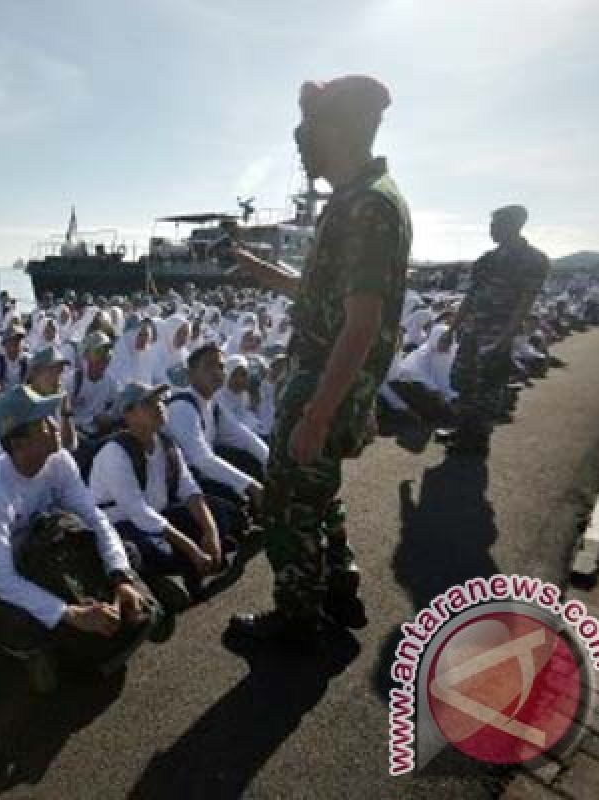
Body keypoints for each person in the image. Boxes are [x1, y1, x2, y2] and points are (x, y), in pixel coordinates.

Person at [230, 74, 411, 642]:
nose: (301, 141)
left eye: (309, 128)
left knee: (289, 505)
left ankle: (297, 619)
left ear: (343, 128)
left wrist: (317, 414)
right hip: (328, 380)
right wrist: (264, 273)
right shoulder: (356, 200)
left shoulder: (368, 208)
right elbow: (330, 301)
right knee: (318, 493)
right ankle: (338, 585)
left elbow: (361, 325)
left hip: (323, 385)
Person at [0, 385, 163, 693]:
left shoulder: (58, 461)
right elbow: (3, 581)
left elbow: (95, 518)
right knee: (10, 615)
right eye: (44, 422)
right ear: (19, 443)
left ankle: (114, 609)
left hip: (47, 558)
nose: (55, 426)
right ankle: (35, 653)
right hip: (2, 582)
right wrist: (71, 614)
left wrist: (120, 576)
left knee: (127, 553)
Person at [90, 382, 239, 608]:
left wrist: (211, 534)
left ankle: (189, 568)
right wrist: (192, 548)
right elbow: (138, 512)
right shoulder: (115, 453)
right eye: (149, 403)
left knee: (216, 513)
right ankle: (155, 580)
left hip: (156, 518)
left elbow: (190, 491)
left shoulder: (167, 445)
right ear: (129, 414)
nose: (159, 406)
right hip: (123, 524)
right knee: (142, 551)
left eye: (160, 400)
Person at [444, 205, 551, 455]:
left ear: (513, 225)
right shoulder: (486, 260)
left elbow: (526, 302)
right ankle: (463, 430)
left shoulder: (533, 260)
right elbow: (470, 297)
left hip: (497, 332)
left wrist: (506, 337)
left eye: (496, 224)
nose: (491, 229)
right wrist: (451, 330)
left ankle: (478, 439)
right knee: (463, 380)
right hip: (472, 330)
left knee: (488, 386)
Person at [164, 343, 264, 509]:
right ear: (191, 374)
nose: (217, 372)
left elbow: (244, 438)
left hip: (201, 475)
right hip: (179, 484)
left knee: (251, 462)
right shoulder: (183, 407)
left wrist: (269, 462)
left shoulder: (212, 405)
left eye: (221, 366)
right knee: (233, 507)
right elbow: (201, 459)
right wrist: (250, 485)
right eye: (209, 366)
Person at [68, 331, 121, 440]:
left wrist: (108, 416)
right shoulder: (72, 380)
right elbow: (61, 415)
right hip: (76, 434)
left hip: (100, 434)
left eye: (107, 351)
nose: (104, 356)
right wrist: (92, 419)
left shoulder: (111, 381)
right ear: (87, 355)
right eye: (99, 351)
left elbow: (116, 406)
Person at [0, 323, 29, 400]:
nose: (15, 344)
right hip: (1, 402)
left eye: (18, 340)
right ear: (5, 344)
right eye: (11, 340)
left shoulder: (28, 360)